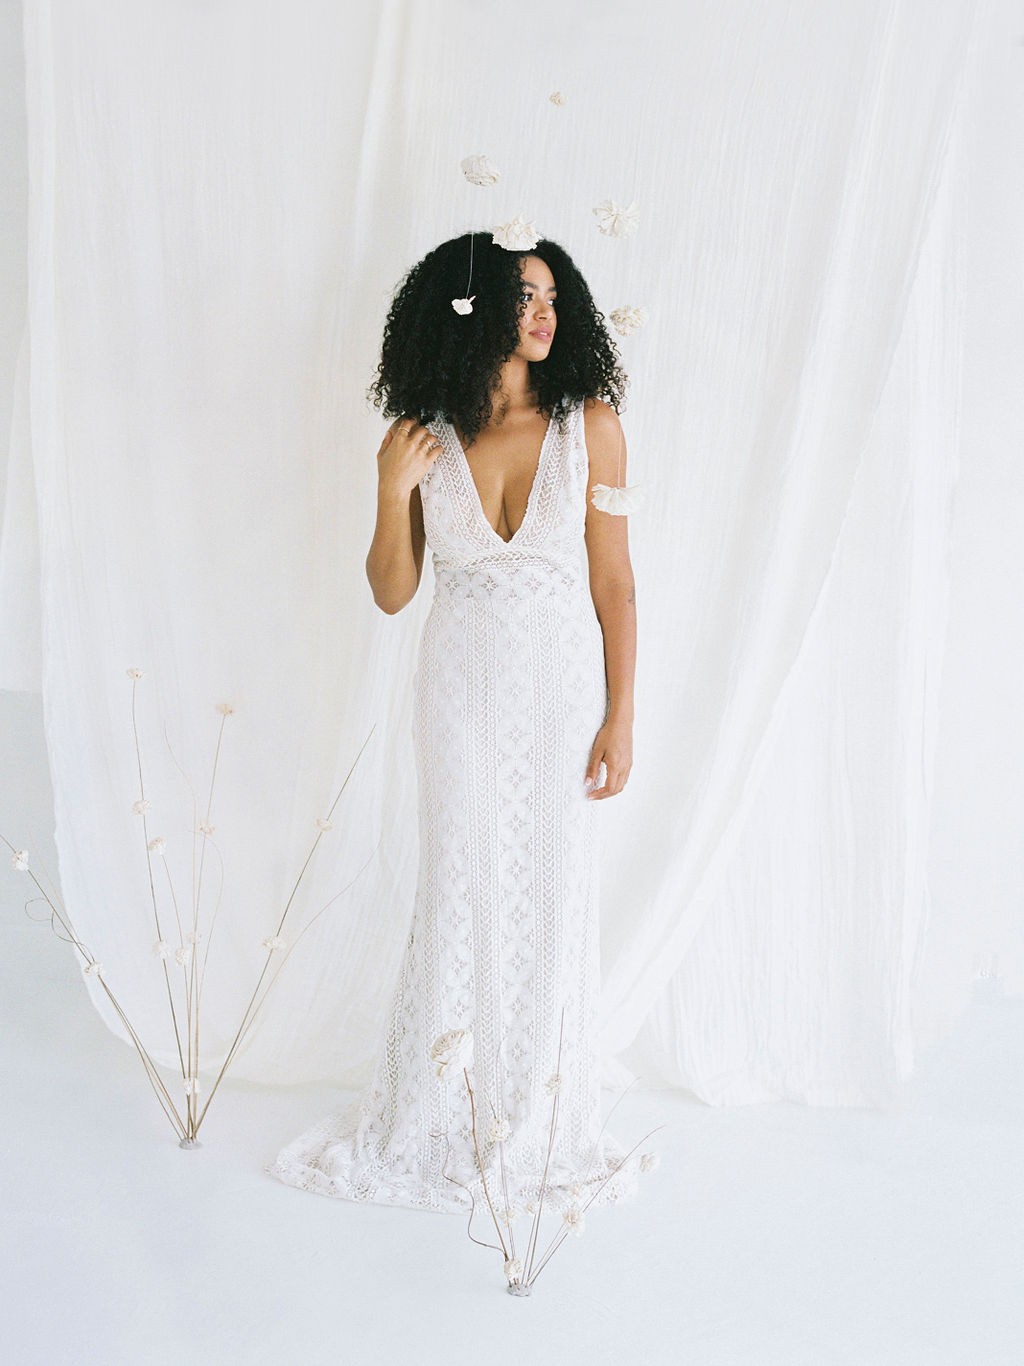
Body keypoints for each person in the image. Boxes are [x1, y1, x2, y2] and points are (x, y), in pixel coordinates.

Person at [269, 232, 641, 1216]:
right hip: (459, 690)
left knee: (553, 883)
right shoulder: (423, 435)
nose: (544, 313)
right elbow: (394, 592)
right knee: (462, 879)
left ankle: (537, 1104)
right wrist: (389, 489)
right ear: (469, 306)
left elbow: (614, 582)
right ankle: (446, 1101)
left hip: (560, 690)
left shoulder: (591, 424)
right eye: (523, 295)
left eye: (553, 296)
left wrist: (621, 715)